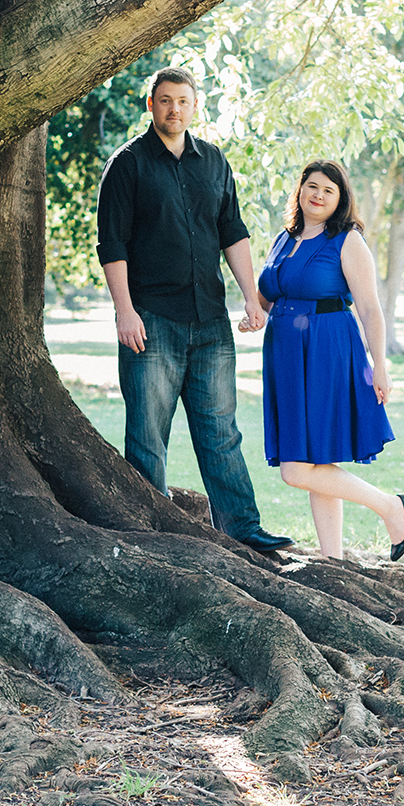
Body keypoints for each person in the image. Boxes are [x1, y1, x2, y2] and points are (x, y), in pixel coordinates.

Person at [96, 68, 294, 553]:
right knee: (147, 435)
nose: (174, 109)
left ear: (195, 106)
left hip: (210, 320)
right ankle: (153, 529)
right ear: (150, 105)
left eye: (183, 101)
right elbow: (112, 243)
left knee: (221, 431)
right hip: (151, 319)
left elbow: (234, 233)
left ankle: (243, 529)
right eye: (165, 101)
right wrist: (124, 310)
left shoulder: (214, 162)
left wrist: (250, 297)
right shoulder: (128, 165)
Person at [256, 160, 404, 561]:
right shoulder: (283, 238)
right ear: (300, 191)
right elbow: (269, 293)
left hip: (327, 351)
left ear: (340, 198)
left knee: (298, 468)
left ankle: (390, 506)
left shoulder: (346, 240)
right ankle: (333, 561)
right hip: (286, 356)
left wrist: (380, 364)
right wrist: (252, 312)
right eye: (311, 186)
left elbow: (370, 309)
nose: (318, 195)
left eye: (328, 189)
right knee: (314, 461)